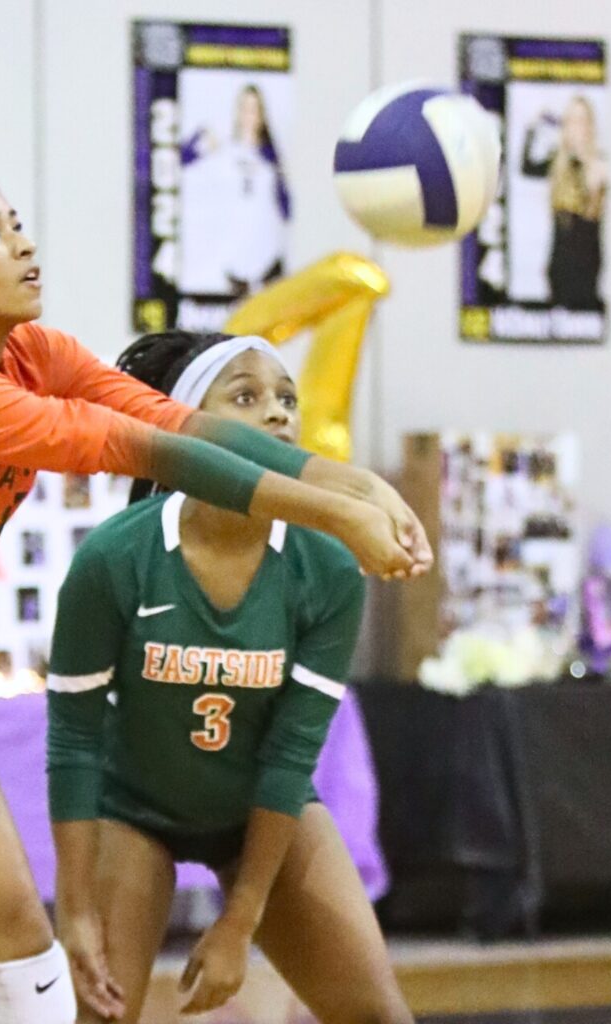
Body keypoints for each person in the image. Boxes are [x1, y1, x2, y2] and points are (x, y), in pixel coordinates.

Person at [0, 170, 429, 1024]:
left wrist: (353, 483)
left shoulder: (34, 356)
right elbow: (146, 453)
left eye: (17, 222)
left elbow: (176, 422)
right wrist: (339, 515)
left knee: (22, 938)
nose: (21, 241)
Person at [47, 330, 414, 1024]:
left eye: (286, 398)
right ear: (193, 425)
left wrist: (238, 924)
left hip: (262, 810)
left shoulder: (328, 567)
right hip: (135, 813)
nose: (278, 414)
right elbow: (73, 742)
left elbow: (291, 753)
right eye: (246, 397)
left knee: (379, 1014)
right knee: (96, 1014)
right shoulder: (116, 556)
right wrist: (73, 910)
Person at [180, 84, 290, 296]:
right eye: (245, 109)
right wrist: (202, 143)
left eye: (255, 110)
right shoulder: (225, 149)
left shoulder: (270, 157)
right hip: (235, 264)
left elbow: (286, 208)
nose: (250, 116)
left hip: (268, 260)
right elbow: (179, 159)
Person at [521, 95, 607, 311]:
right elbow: (526, 167)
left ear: (589, 126)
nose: (576, 128)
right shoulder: (557, 162)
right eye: (571, 121)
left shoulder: (598, 164)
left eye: (581, 121)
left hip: (587, 265)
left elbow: (591, 216)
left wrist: (587, 169)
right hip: (559, 265)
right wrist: (532, 128)